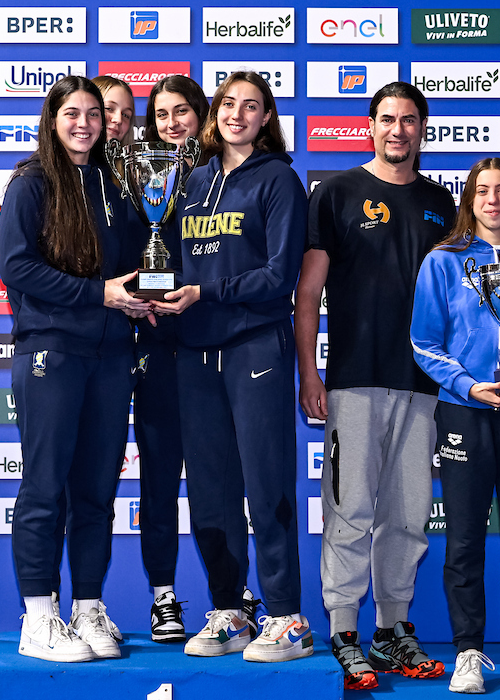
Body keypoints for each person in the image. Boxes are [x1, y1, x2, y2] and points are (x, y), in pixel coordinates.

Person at [294, 81, 454, 689]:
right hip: (355, 381)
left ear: (422, 128)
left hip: (423, 383)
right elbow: (309, 293)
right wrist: (310, 372)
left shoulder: (441, 202)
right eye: (387, 119)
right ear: (370, 125)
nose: (398, 130)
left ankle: (391, 631)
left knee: (408, 514)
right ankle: (344, 632)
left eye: (409, 120)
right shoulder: (336, 193)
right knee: (350, 509)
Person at [152, 71, 311, 664]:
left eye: (250, 106)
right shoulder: (192, 181)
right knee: (211, 492)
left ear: (266, 117)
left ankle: (287, 617)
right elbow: (172, 257)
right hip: (196, 353)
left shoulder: (279, 179)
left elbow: (279, 275)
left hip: (255, 348)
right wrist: (156, 292)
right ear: (214, 112)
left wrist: (205, 292)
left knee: (266, 485)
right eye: (227, 104)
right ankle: (230, 611)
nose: (236, 114)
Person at [0, 76, 151, 663]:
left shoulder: (118, 184)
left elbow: (137, 263)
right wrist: (99, 294)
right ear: (52, 119)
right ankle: (39, 617)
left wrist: (144, 295)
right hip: (52, 351)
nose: (86, 123)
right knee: (44, 488)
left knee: (96, 492)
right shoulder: (31, 182)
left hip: (112, 355)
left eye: (95, 113)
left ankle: (88, 607)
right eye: (73, 113)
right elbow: (17, 268)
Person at [410, 159, 500, 694]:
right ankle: (468, 650)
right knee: (465, 537)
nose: (493, 201)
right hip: (464, 410)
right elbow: (424, 342)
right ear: (469, 200)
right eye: (482, 192)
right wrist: (468, 386)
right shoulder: (443, 261)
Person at [125, 74, 212, 643]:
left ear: (201, 116)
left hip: (211, 346)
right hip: (155, 343)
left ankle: (231, 592)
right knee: (158, 479)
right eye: (161, 114)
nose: (172, 123)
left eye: (182, 111)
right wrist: (138, 299)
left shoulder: (221, 178)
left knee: (216, 481)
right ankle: (163, 596)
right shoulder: (135, 180)